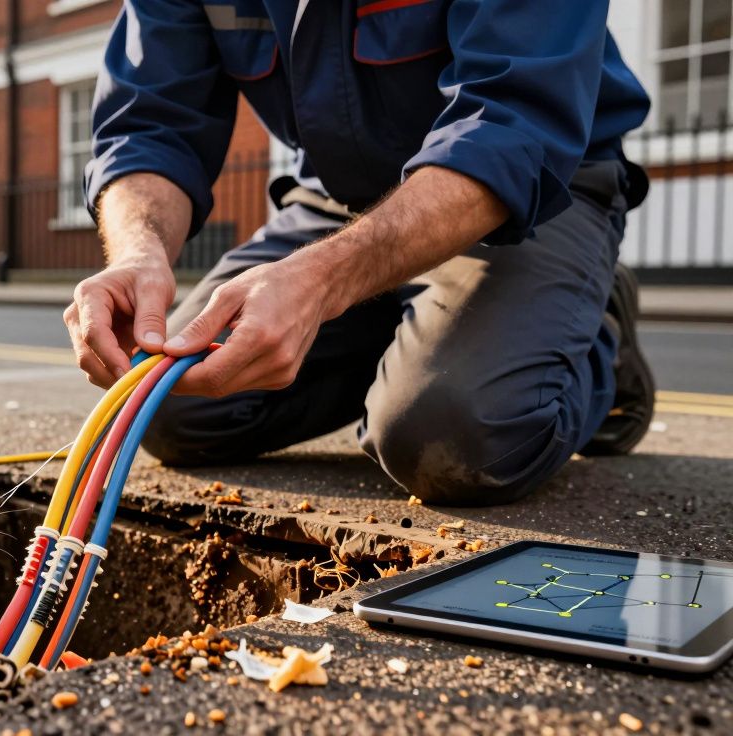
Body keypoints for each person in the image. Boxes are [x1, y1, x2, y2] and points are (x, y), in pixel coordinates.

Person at [64, 0, 655, 507]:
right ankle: (426, 335)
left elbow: (509, 123)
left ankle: (597, 332)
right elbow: (149, 126)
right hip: (337, 201)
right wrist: (138, 253)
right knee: (172, 407)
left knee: (448, 440)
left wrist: (322, 283)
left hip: (523, 195)